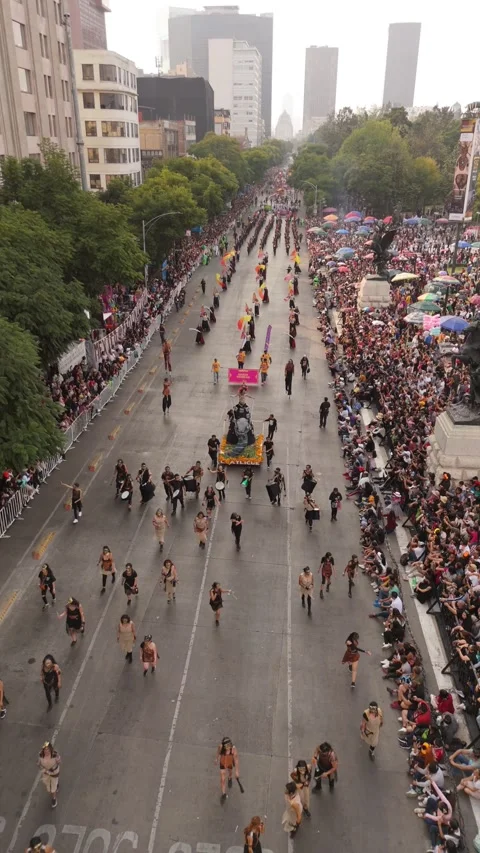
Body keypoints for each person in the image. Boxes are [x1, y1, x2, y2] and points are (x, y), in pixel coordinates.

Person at [216, 736, 240, 801]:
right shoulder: (221, 747)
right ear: (224, 746)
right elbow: (218, 751)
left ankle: (230, 777)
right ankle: (223, 793)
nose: (228, 747)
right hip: (222, 764)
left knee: (230, 772)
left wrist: (237, 771)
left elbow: (236, 759)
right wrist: (216, 758)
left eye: (229, 745)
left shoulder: (233, 749)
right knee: (223, 779)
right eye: (227, 746)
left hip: (229, 763)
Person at [38, 741, 60, 808]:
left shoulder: (55, 755)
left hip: (54, 773)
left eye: (47, 749)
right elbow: (39, 764)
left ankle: (54, 799)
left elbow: (59, 762)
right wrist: (43, 769)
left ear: (50, 749)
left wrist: (58, 761)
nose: (46, 751)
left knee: (53, 789)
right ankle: (57, 784)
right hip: (46, 773)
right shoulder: (41, 755)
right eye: (45, 749)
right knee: (48, 787)